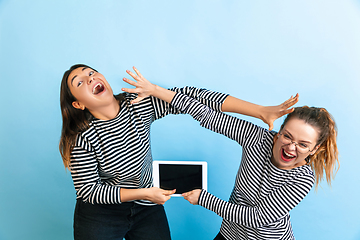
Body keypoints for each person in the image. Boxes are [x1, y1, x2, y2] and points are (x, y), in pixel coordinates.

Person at [122, 68, 339, 240]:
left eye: (302, 144)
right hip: (229, 234)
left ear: (315, 149)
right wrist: (155, 90)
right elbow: (207, 115)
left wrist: (203, 199)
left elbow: (257, 217)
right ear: (279, 132)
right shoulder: (257, 138)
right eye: (288, 137)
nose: (291, 147)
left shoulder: (302, 178)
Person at [59, 64, 243, 240]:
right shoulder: (81, 138)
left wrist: (259, 111)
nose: (89, 78)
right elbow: (89, 191)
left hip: (146, 206)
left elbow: (191, 97)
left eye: (91, 73)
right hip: (101, 213)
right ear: (78, 105)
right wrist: (143, 193)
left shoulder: (138, 103)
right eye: (80, 82)